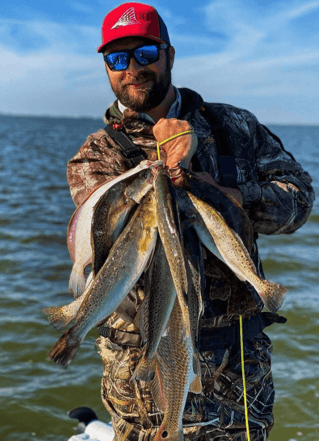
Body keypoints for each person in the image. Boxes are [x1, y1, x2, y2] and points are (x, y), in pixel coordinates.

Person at [66, 3, 315, 440]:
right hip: (140, 374)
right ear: (106, 67)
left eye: (144, 53)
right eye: (117, 59)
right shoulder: (96, 154)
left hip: (239, 369)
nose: (131, 69)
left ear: (170, 55)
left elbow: (299, 199)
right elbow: (105, 238)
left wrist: (221, 191)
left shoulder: (236, 126)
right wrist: (156, 168)